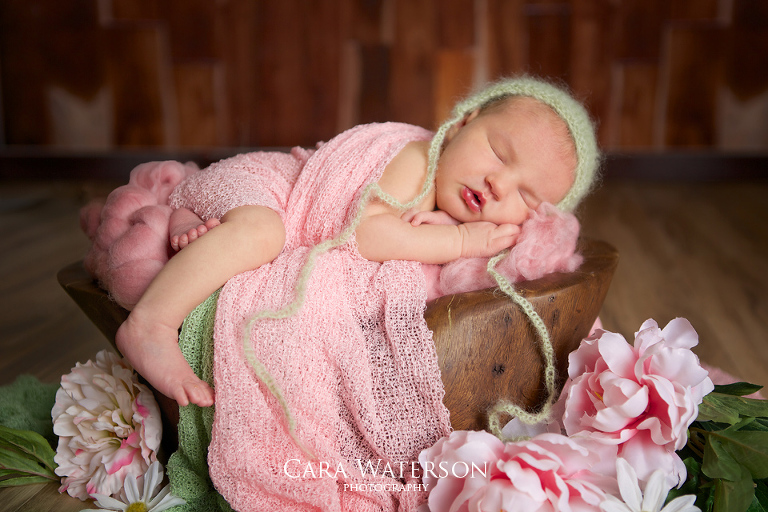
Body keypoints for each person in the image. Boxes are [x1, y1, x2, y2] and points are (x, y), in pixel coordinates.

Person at [115, 76, 600, 409]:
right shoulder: (416, 159)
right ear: (462, 122)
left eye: (525, 196)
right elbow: (368, 234)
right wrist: (459, 239)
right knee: (262, 234)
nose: (498, 184)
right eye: (498, 153)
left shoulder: (446, 192)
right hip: (268, 187)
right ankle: (150, 325)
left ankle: (193, 220)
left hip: (266, 201)